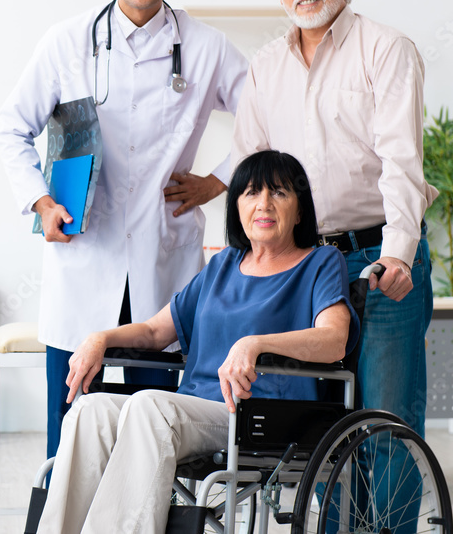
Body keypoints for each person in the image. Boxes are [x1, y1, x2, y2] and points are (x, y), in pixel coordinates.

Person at [0, 0, 248, 460]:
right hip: (84, 262)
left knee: (153, 437)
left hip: (162, 263)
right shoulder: (67, 42)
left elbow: (268, 119)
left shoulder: (205, 47)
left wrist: (217, 182)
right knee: (70, 439)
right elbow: (11, 126)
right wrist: (39, 201)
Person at [36, 150, 359, 534]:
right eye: (251, 193)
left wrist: (254, 344)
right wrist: (100, 338)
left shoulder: (319, 263)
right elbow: (156, 332)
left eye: (280, 193)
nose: (264, 204)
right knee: (90, 411)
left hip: (260, 414)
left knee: (149, 406)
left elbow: (334, 340)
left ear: (300, 210)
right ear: (236, 206)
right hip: (194, 410)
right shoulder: (223, 265)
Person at [231, 0, 438, 438]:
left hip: (377, 259)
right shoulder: (265, 66)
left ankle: (384, 524)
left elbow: (402, 160)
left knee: (386, 424)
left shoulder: (386, 49)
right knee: (318, 429)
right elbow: (250, 171)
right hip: (299, 267)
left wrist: (399, 253)